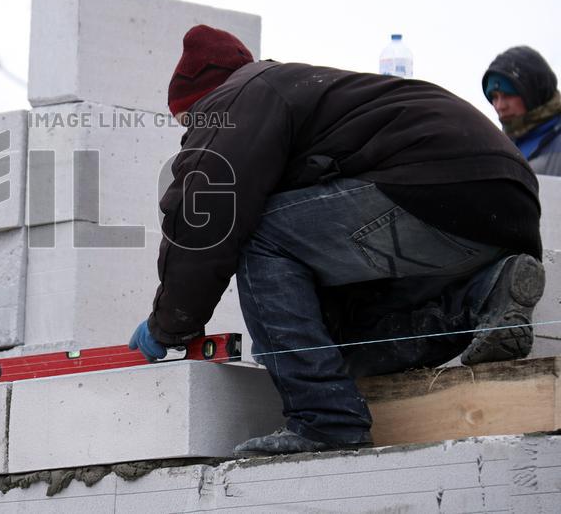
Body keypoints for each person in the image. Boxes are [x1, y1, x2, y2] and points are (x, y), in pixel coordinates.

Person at [128, 25, 545, 457]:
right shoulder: (301, 95)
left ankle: (326, 419)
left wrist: (170, 322)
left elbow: (206, 220)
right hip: (503, 206)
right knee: (343, 338)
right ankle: (484, 295)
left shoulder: (234, 99)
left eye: (189, 125)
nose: (192, 137)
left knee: (259, 234)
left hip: (430, 185)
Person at [482, 46, 561, 176]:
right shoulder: (498, 147)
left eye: (508, 95)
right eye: (494, 97)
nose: (500, 106)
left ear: (534, 93)